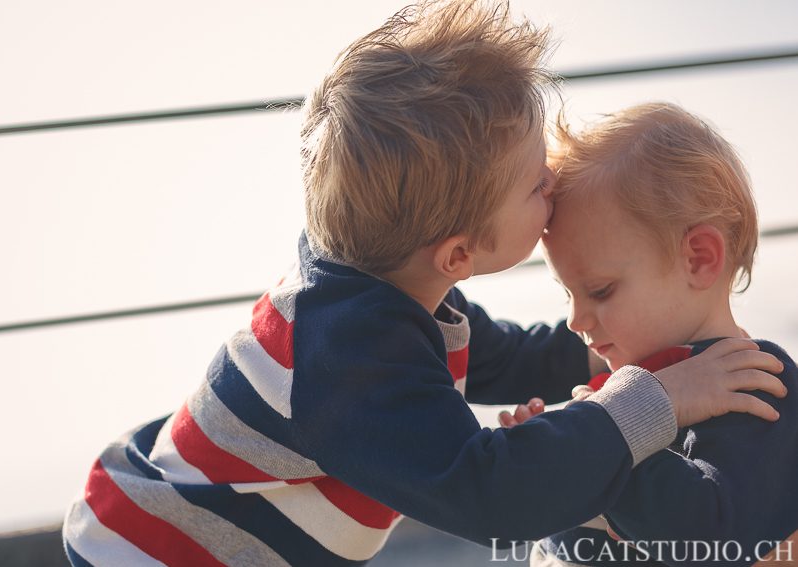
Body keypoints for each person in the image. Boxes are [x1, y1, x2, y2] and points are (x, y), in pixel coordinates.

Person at [62, 3, 786, 566]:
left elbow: (512, 357)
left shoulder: (375, 288)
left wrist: (638, 357)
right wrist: (651, 400)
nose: (555, 186)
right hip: (160, 550)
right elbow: (489, 491)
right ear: (458, 252)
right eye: (538, 183)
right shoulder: (344, 355)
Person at [530, 102, 798, 566]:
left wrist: (595, 446)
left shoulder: (753, 383)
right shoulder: (629, 384)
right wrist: (544, 451)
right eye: (568, 292)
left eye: (599, 289)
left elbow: (710, 537)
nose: (576, 319)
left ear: (698, 259)